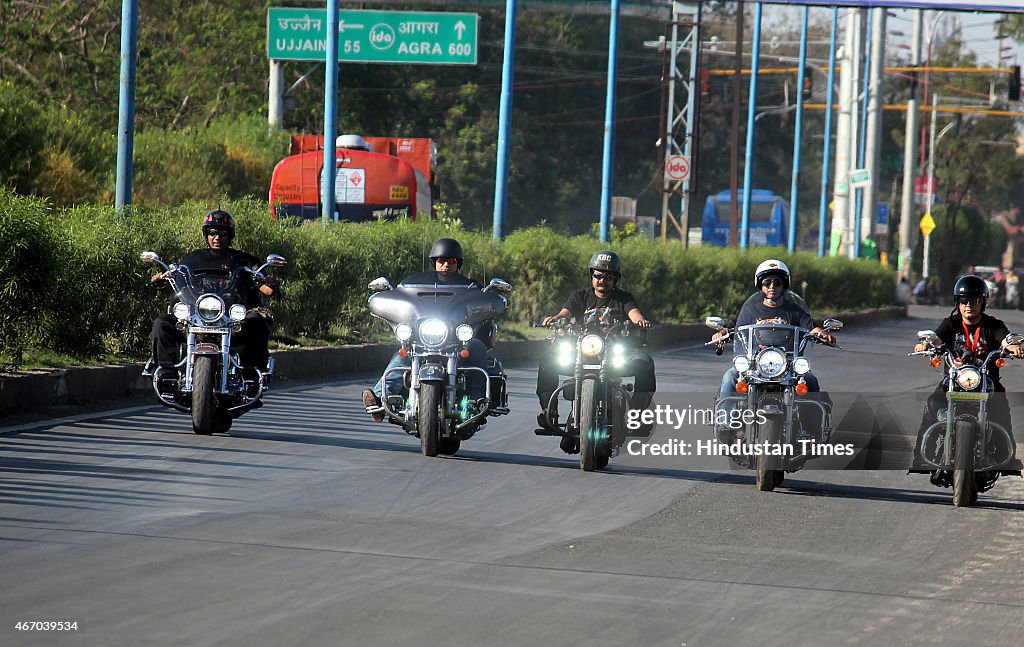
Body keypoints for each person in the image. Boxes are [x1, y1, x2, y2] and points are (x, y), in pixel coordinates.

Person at [536, 250, 655, 453]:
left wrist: (640, 321)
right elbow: (565, 312)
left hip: (614, 352)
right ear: (591, 276)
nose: (602, 280)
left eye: (608, 276)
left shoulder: (623, 298)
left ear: (616, 279)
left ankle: (637, 416)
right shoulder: (580, 297)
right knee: (548, 361)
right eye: (598, 275)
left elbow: (634, 313)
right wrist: (556, 319)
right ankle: (550, 412)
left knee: (645, 363)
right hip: (582, 352)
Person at [361, 238, 491, 421]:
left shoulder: (470, 287)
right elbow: (406, 300)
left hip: (457, 340)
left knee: (477, 346)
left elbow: (482, 303)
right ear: (434, 262)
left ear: (458, 264)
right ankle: (379, 399)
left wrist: (489, 299)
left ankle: (479, 401)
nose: (446, 264)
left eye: (451, 261)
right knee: (404, 352)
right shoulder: (418, 284)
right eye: (441, 260)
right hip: (424, 337)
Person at [710, 259, 835, 442]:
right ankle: (726, 425)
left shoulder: (795, 310)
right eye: (767, 282)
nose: (772, 286)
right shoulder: (750, 309)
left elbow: (810, 327)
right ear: (760, 285)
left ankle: (811, 432)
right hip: (754, 363)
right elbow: (733, 327)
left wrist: (822, 333)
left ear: (784, 285)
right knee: (730, 377)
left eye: (777, 282)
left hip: (787, 365)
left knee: (810, 381)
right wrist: (721, 333)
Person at [149, 210, 280, 384]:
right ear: (206, 234)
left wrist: (270, 284)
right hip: (196, 315)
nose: (217, 237)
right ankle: (167, 374)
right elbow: (178, 282)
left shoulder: (245, 260)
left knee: (256, 323)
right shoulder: (192, 259)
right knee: (161, 324)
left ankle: (252, 375)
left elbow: (264, 287)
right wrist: (162, 281)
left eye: (222, 232)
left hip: (232, 319)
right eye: (212, 232)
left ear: (230, 235)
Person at [910, 275, 1024, 474]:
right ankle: (921, 457)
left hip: (986, 381)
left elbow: (1004, 339)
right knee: (932, 406)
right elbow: (936, 338)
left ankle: (1007, 457)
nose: (969, 305)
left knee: (1001, 408)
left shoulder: (992, 325)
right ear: (957, 302)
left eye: (975, 300)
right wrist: (926, 344)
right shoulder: (951, 324)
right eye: (964, 300)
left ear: (983, 302)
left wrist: (1012, 346)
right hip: (954, 380)